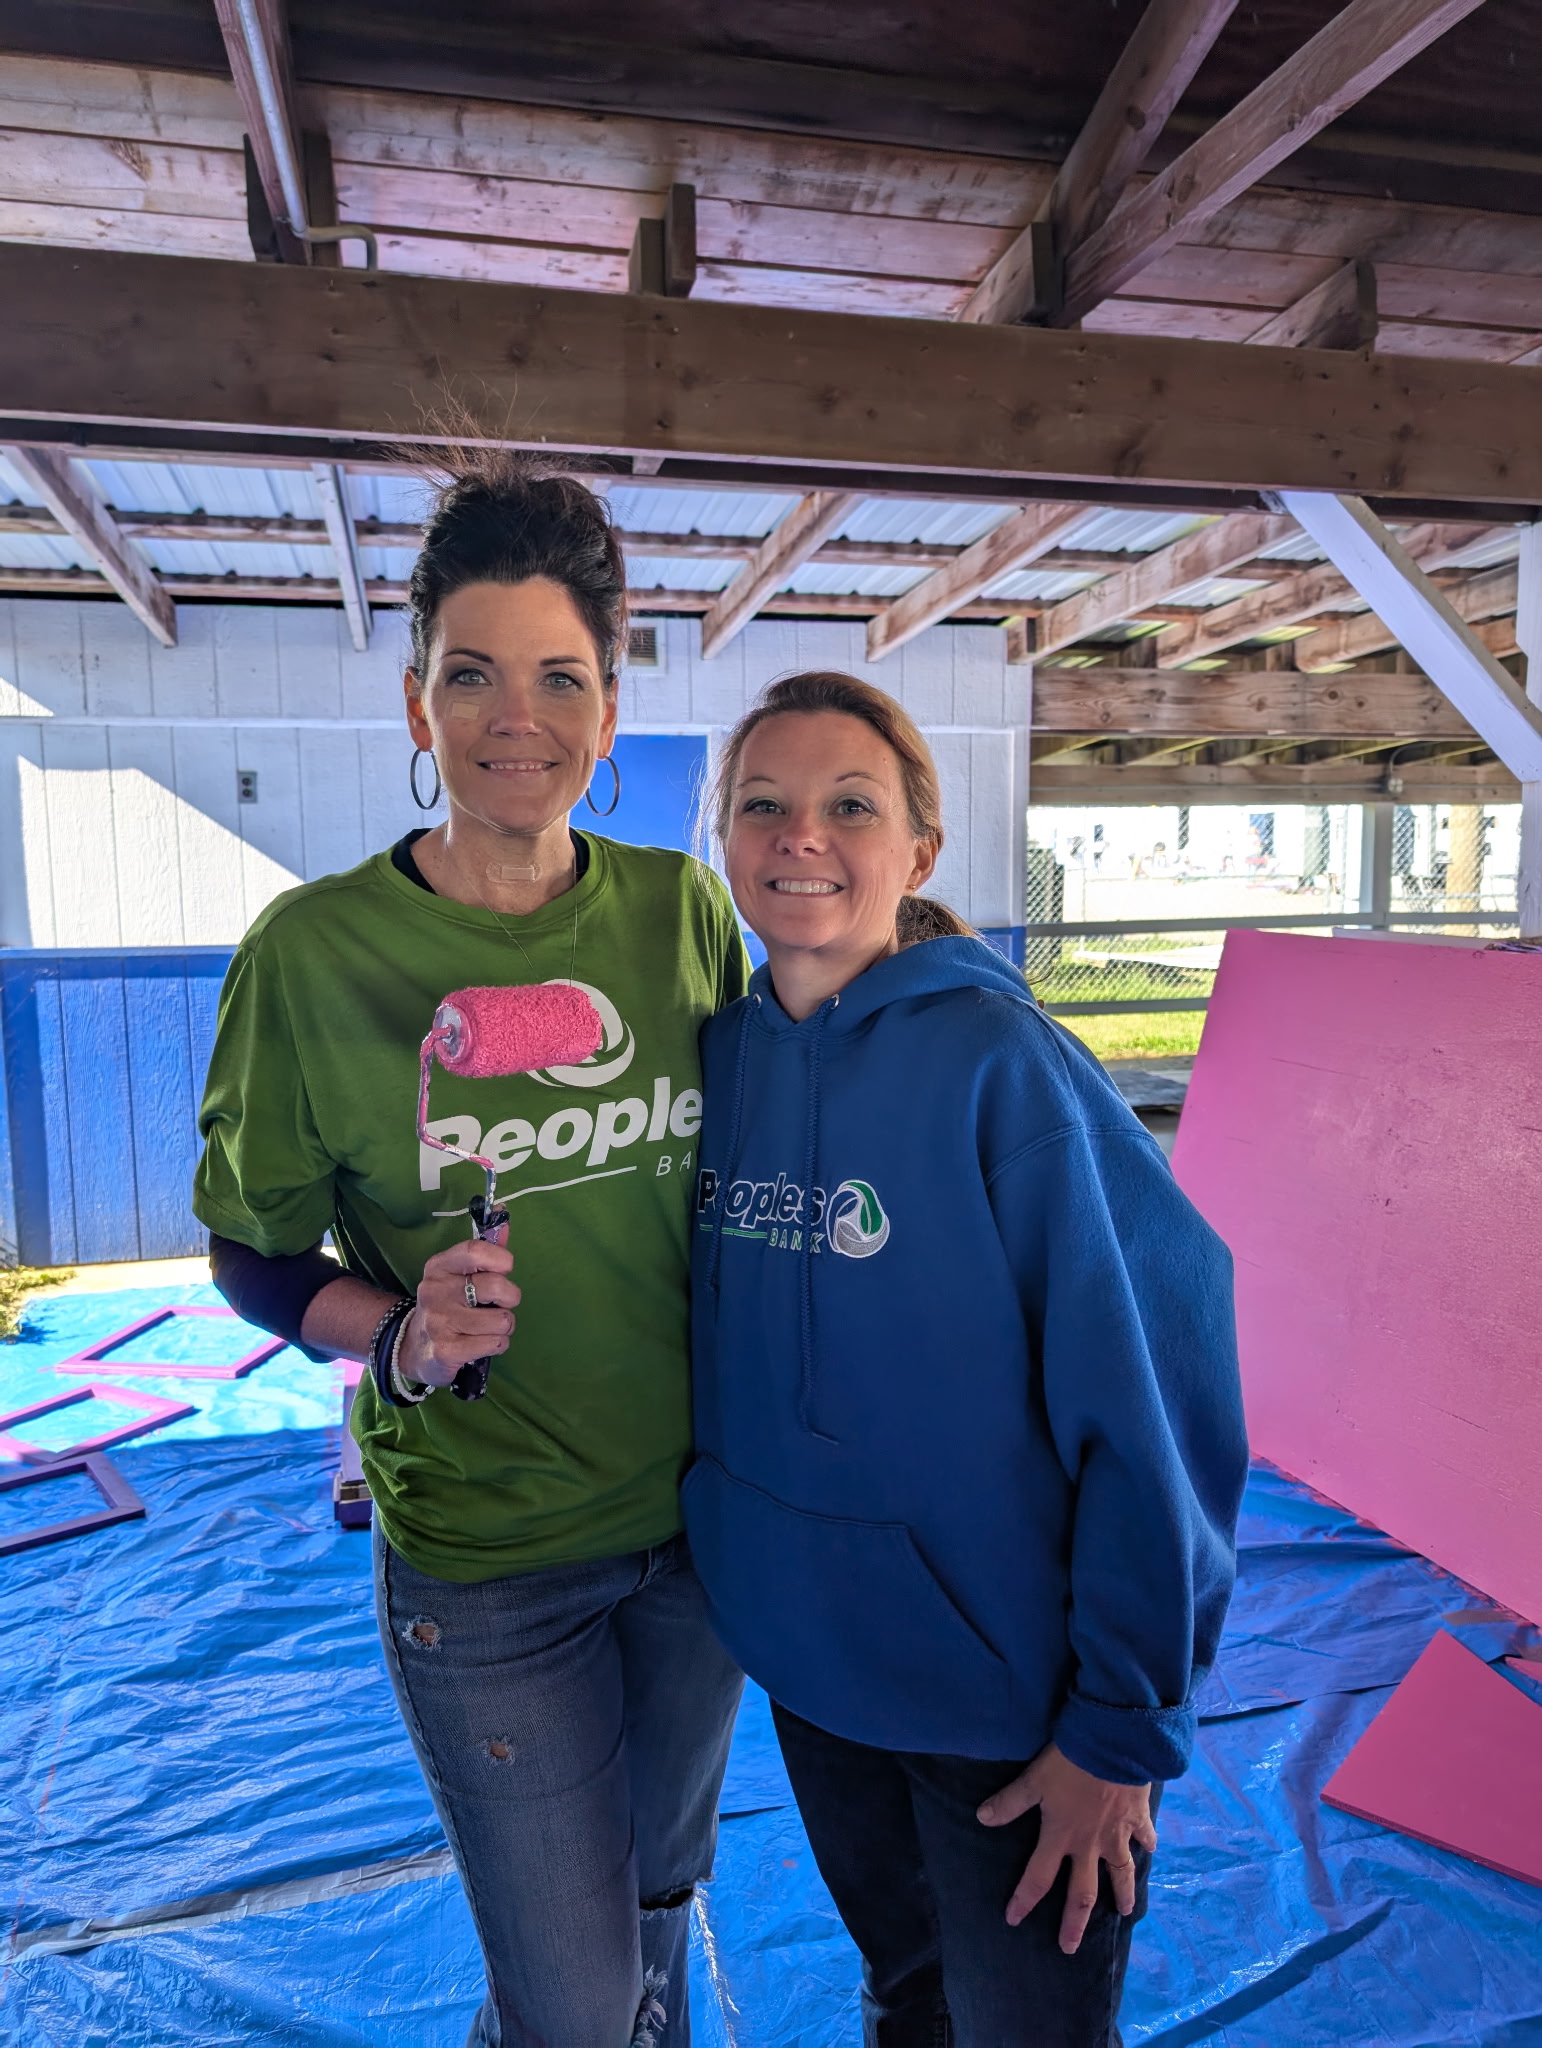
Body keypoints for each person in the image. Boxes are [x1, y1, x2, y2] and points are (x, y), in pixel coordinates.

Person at [193, 456, 746, 2048]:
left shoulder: (678, 916)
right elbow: (251, 1254)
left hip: (695, 1542)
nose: (521, 716)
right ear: (418, 702)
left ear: (609, 704)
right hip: (489, 1564)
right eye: (475, 675)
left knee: (652, 1923)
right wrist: (399, 1339)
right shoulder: (314, 955)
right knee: (571, 2009)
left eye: (560, 677)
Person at [684, 672, 1246, 2047]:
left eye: (848, 805)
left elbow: (1159, 1385)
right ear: (725, 843)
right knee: (905, 1999)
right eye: (763, 803)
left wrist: (1120, 1723)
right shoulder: (717, 1066)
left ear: (916, 853)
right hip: (814, 1675)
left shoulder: (1003, 1068)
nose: (799, 834)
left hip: (1009, 1706)